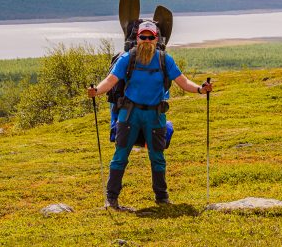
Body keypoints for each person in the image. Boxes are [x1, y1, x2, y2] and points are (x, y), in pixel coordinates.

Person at [87, 20, 212, 208]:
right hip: (130, 114)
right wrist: (96, 91)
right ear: (137, 39)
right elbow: (111, 80)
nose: (146, 41)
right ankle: (111, 199)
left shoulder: (165, 60)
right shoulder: (127, 59)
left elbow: (183, 82)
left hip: (155, 114)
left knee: (157, 157)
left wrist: (201, 89)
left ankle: (162, 198)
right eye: (142, 37)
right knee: (120, 155)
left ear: (156, 39)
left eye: (150, 37)